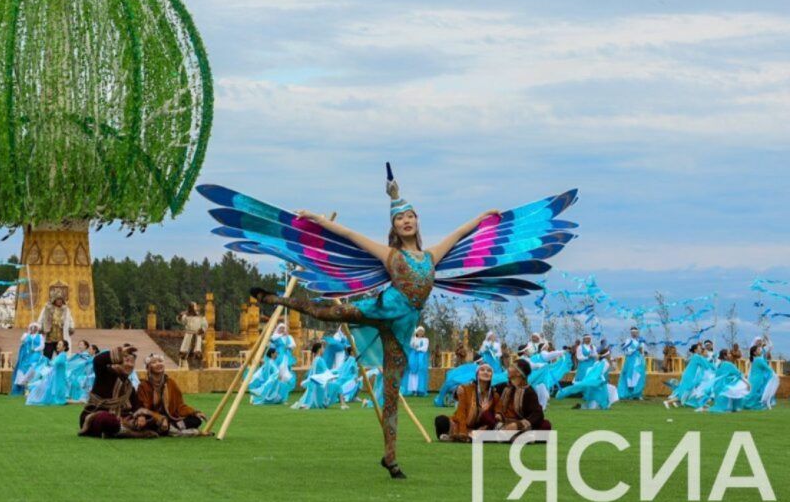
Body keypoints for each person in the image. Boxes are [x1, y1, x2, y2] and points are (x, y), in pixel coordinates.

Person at [202, 170, 577, 478]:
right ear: (395, 227)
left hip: (401, 330)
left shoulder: (431, 256)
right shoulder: (389, 254)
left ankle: (390, 456)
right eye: (400, 218)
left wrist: (480, 219)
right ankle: (277, 299)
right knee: (329, 312)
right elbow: (350, 236)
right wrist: (319, 220)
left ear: (417, 221)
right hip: (381, 309)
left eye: (410, 216)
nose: (407, 220)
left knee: (392, 395)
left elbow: (460, 235)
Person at [136, 355, 207, 435]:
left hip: (171, 419)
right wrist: (160, 418)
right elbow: (144, 409)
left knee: (196, 420)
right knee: (148, 424)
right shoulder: (143, 386)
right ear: (148, 367)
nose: (158, 364)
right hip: (154, 419)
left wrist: (194, 412)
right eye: (154, 362)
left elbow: (180, 406)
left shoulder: (170, 383)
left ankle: (173, 428)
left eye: (160, 361)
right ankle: (175, 430)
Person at [78, 344, 141, 428]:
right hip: (94, 416)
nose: (129, 365)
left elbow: (136, 406)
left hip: (119, 419)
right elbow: (97, 360)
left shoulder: (129, 387)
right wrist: (121, 351)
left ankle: (121, 426)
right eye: (127, 360)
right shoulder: (104, 373)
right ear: (118, 361)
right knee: (107, 420)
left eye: (132, 362)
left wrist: (140, 417)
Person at [436, 362, 497, 442]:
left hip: (480, 427)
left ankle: (457, 437)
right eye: (482, 370)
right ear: (477, 374)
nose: (485, 372)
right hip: (461, 424)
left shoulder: (494, 395)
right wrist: (463, 431)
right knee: (441, 420)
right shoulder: (465, 389)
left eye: (489, 371)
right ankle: (463, 436)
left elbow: (498, 412)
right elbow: (461, 413)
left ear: (492, 375)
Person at [491, 359, 552, 439]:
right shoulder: (504, 386)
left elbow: (538, 414)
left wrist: (518, 425)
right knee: (486, 417)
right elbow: (488, 393)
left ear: (518, 373)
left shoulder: (529, 391)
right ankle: (519, 437)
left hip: (518, 424)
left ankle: (508, 435)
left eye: (511, 367)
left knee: (546, 425)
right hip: (501, 422)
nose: (508, 369)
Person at [520, 343, 570, 408]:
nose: (547, 348)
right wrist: (562, 352)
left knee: (542, 397)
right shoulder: (542, 354)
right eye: (546, 347)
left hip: (534, 380)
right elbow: (550, 355)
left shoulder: (533, 357)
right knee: (543, 397)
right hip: (537, 380)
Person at [292, 342, 335, 409]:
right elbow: (326, 371)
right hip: (318, 383)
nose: (324, 349)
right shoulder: (320, 360)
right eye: (323, 348)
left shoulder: (315, 359)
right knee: (335, 386)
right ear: (319, 349)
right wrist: (334, 374)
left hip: (315, 382)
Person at [27, 339, 70, 406]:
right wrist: (46, 360)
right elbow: (52, 363)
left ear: (64, 347)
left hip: (58, 378)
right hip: (55, 378)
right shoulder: (59, 355)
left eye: (60, 345)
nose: (58, 346)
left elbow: (54, 363)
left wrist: (46, 360)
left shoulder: (63, 356)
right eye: (58, 344)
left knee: (53, 393)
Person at [11, 323, 45, 395]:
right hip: (27, 354)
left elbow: (42, 346)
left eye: (35, 327)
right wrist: (28, 333)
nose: (33, 329)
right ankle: (23, 386)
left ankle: (32, 385)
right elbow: (22, 340)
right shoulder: (26, 335)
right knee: (22, 368)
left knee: (33, 366)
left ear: (37, 329)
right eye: (32, 327)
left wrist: (35, 349)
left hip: (36, 354)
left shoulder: (40, 336)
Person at [617, 327, 647, 400]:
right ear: (631, 333)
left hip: (639, 361)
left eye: (635, 332)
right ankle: (629, 394)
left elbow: (643, 352)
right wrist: (635, 349)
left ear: (637, 333)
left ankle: (638, 394)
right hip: (630, 361)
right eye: (633, 332)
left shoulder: (640, 341)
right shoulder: (629, 341)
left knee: (639, 376)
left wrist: (641, 351)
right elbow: (626, 352)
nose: (634, 334)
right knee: (630, 377)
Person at [402, 326, 429, 396]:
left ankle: (419, 389)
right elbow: (411, 345)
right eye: (419, 331)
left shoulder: (425, 340)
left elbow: (425, 348)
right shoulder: (413, 339)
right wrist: (414, 345)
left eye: (422, 331)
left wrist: (418, 348)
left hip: (421, 357)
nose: (420, 333)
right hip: (413, 356)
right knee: (412, 372)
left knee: (420, 372)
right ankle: (412, 390)